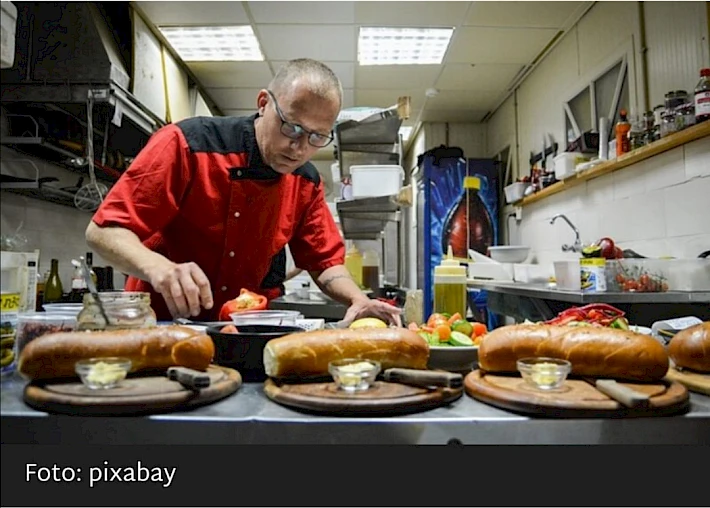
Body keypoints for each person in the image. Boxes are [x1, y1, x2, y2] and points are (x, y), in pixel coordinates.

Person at [86, 58, 401, 327]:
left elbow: (323, 261)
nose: (299, 148)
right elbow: (103, 232)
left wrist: (358, 299)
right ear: (263, 103)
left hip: (244, 329)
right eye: (292, 127)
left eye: (317, 137)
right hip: (160, 322)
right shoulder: (186, 144)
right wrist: (158, 267)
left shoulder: (307, 182)